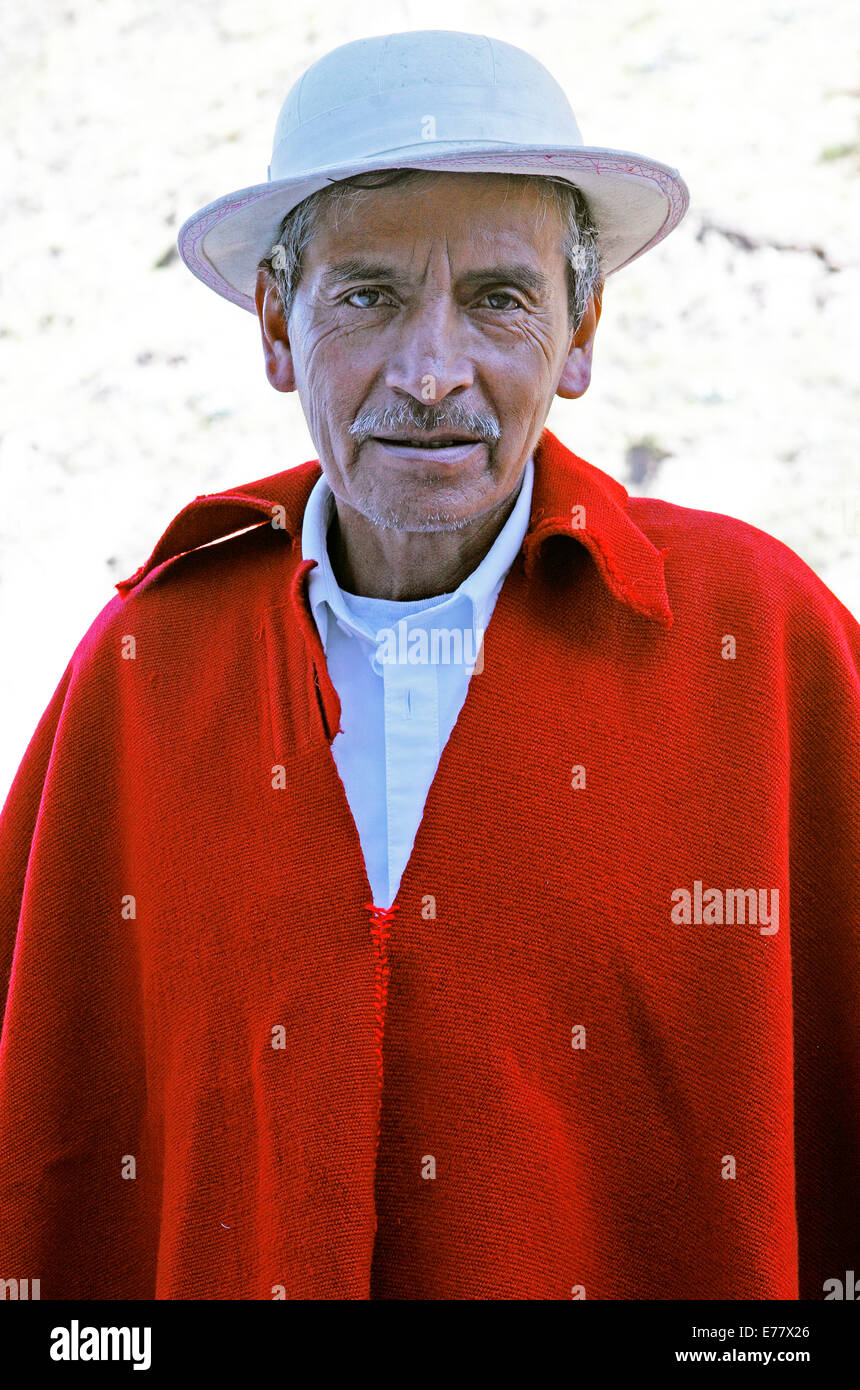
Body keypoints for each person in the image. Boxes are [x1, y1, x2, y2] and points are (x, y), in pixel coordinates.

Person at [0, 29, 857, 1302]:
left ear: (579, 332)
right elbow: (54, 1151)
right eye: (369, 295)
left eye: (500, 298)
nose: (430, 372)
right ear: (278, 328)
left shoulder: (758, 638)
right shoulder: (145, 669)